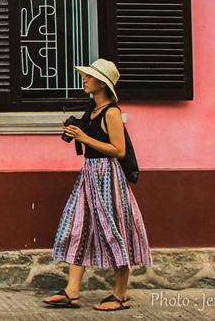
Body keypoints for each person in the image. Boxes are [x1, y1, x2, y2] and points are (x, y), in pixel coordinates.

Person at [41, 59, 152, 311]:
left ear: (102, 83)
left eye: (89, 77)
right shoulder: (91, 111)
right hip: (89, 175)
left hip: (108, 177)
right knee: (76, 228)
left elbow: (119, 150)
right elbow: (89, 143)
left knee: (115, 231)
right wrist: (77, 132)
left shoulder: (111, 112)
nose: (85, 80)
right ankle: (72, 292)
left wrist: (84, 137)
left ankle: (121, 295)